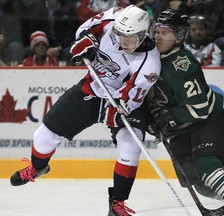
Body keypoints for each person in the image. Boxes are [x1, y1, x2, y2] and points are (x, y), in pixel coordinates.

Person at [10, 5, 161, 216]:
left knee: (131, 147)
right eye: (119, 34)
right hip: (90, 90)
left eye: (130, 37)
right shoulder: (114, 17)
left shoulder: (150, 64)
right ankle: (38, 167)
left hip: (121, 103)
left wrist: (118, 109)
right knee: (43, 137)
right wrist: (86, 42)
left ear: (143, 34)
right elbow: (85, 30)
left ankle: (117, 203)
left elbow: (132, 98)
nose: (122, 41)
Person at [147, 9, 224, 216]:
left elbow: (201, 106)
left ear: (178, 36)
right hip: (181, 130)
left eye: (164, 32)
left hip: (207, 120)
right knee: (202, 187)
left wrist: (168, 117)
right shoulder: (152, 54)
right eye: (156, 31)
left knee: (206, 167)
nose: (158, 36)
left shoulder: (182, 66)